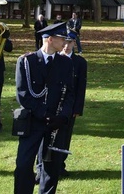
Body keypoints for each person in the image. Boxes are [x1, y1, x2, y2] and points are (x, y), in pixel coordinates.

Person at [14, 23, 74, 194]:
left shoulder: (65, 63)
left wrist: (63, 117)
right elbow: (23, 94)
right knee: (24, 165)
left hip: (55, 123)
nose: (64, 42)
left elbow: (70, 93)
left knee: (51, 168)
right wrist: (44, 114)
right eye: (61, 38)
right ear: (49, 39)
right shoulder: (27, 61)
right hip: (33, 121)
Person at [55, 31, 87, 177]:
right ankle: (44, 165)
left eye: (70, 42)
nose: (66, 46)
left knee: (65, 136)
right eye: (64, 42)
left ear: (75, 43)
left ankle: (60, 165)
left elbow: (81, 87)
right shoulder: (54, 58)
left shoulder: (80, 62)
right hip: (52, 104)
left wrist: (77, 108)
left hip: (69, 106)